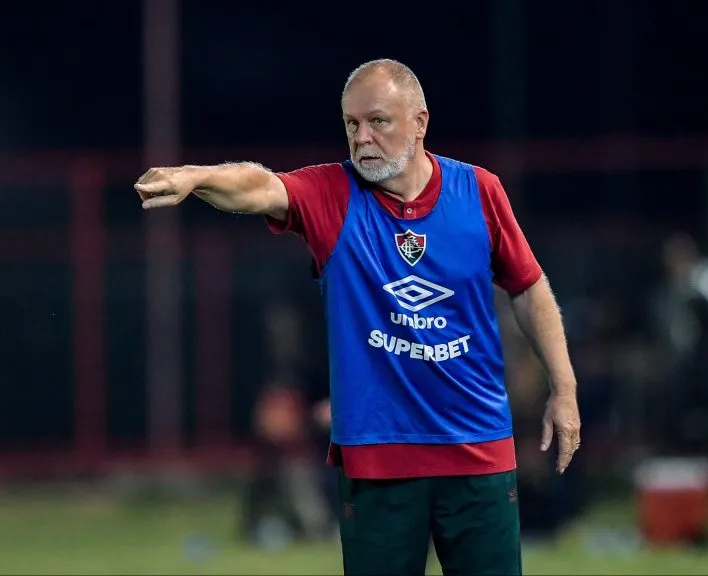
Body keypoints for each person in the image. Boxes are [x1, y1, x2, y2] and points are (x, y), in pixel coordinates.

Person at [134, 58, 581, 575]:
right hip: (378, 457)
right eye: (352, 124)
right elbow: (259, 186)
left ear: (420, 122)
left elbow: (528, 287)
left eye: (378, 121)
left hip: (477, 446)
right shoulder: (332, 195)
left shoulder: (478, 191)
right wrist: (196, 177)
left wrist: (563, 389)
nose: (362, 138)